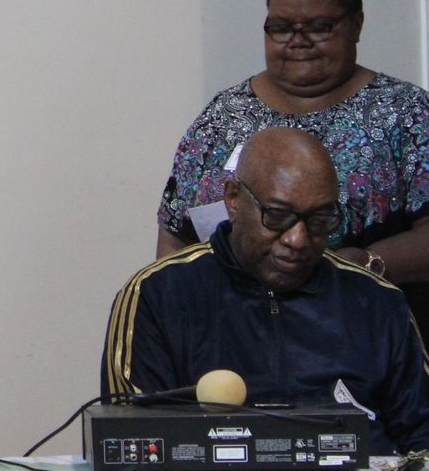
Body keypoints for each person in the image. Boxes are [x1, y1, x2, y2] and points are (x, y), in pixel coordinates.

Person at [107, 128, 429, 453]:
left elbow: (423, 436)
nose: (297, 239)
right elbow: (136, 444)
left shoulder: (375, 301)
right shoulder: (158, 296)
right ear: (233, 199)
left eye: (320, 220)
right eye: (276, 216)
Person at [156, 0, 429, 319]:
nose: (298, 41)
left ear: (356, 24)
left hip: (367, 340)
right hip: (233, 341)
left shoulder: (406, 114)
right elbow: (175, 236)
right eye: (281, 28)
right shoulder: (222, 117)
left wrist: (364, 264)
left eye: (319, 27)